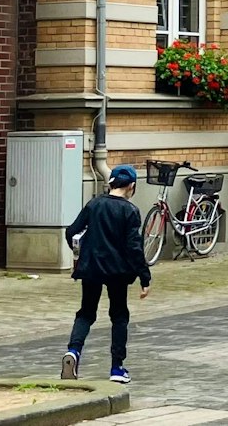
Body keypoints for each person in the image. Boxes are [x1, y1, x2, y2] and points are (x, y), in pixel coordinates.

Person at [60, 164, 151, 384]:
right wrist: (144, 276)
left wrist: (79, 254)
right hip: (118, 272)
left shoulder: (94, 204)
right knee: (119, 315)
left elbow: (72, 231)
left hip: (91, 268)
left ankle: (73, 351)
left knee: (86, 313)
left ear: (111, 183)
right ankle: (117, 368)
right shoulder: (130, 211)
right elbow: (134, 247)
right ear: (131, 186)